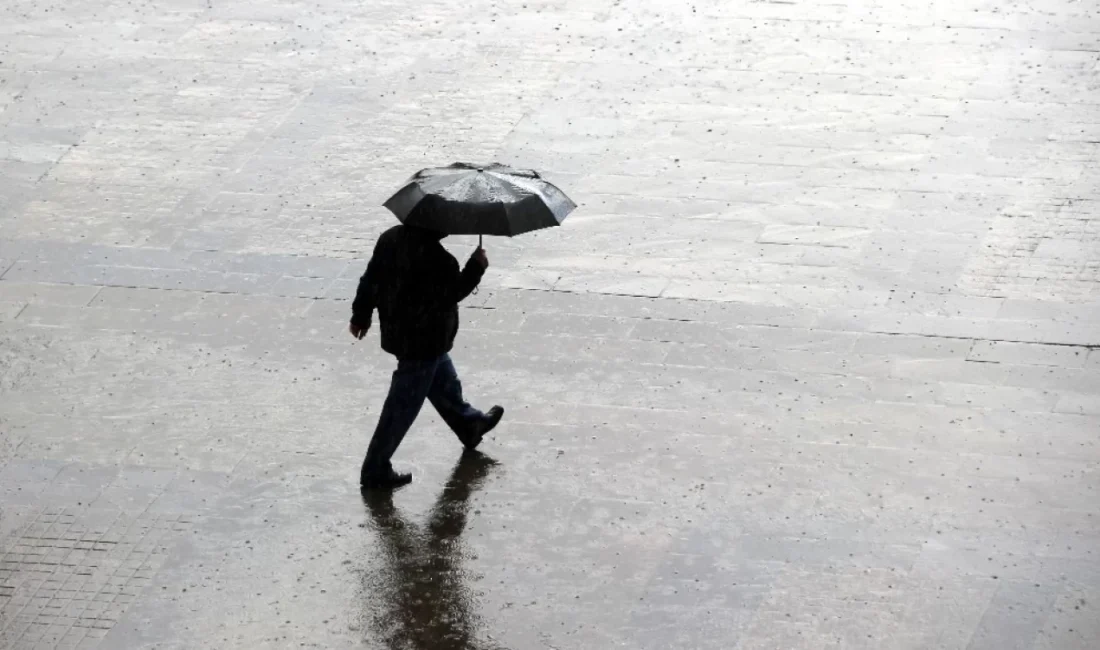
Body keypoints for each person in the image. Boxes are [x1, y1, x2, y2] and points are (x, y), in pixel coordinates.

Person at [350, 224, 504, 489]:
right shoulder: (440, 261)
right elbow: (453, 293)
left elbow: (370, 279)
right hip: (425, 341)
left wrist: (360, 315)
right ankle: (375, 468)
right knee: (402, 406)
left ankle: (470, 424)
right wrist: (476, 266)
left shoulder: (390, 238)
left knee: (443, 380)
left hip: (401, 333)